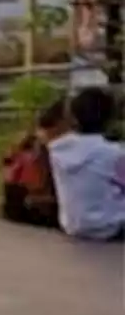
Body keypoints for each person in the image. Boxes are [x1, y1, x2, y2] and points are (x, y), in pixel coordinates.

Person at [47, 87, 125, 241]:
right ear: (111, 119)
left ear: (73, 118)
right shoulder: (114, 154)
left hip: (73, 225)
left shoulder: (57, 151)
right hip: (111, 226)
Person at [2, 98, 66, 229]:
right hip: (40, 214)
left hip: (16, 214)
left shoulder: (23, 143)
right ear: (61, 123)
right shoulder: (49, 147)